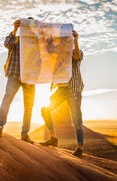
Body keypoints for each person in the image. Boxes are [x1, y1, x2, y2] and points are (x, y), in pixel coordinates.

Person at [0, 18, 35, 144]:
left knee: (29, 106)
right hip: (14, 75)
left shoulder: (35, 43)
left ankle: (25, 134)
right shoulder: (16, 39)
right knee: (7, 99)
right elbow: (7, 44)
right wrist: (14, 29)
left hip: (29, 79)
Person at [40, 30, 85, 158]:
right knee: (45, 110)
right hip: (61, 90)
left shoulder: (75, 52)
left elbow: (77, 56)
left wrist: (76, 40)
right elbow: (49, 51)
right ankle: (53, 138)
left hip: (74, 89)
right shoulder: (59, 54)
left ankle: (80, 148)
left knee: (76, 120)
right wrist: (47, 38)